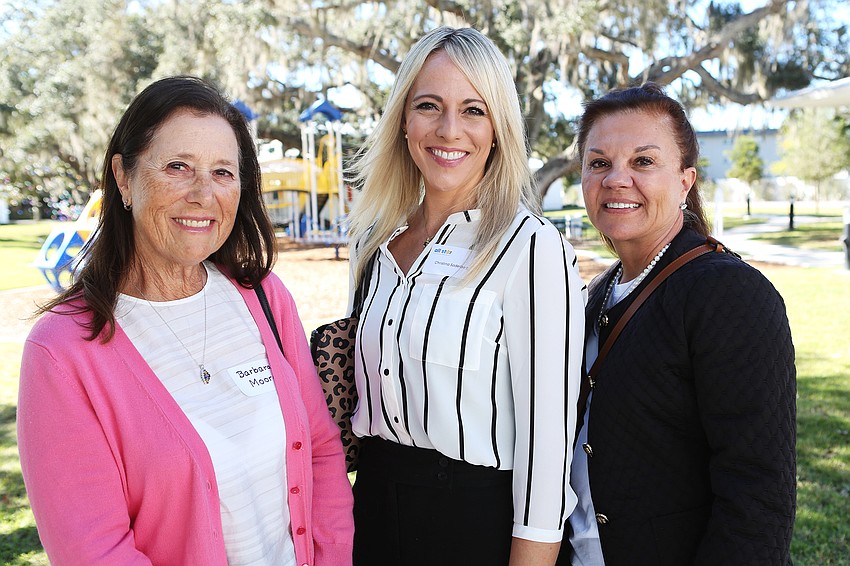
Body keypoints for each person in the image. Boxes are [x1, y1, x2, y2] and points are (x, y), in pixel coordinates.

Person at [17, 76, 354, 566]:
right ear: (124, 177)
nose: (203, 194)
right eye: (178, 167)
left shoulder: (264, 299)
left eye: (223, 172)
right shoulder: (63, 353)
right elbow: (95, 551)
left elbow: (321, 452)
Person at [346, 26, 587, 565]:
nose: (449, 129)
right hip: (371, 512)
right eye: (429, 105)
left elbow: (547, 454)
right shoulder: (373, 239)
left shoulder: (531, 248)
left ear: (498, 128)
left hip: (474, 527)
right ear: (403, 121)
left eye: (474, 110)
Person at [560, 82, 796, 565]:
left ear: (686, 181)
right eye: (599, 162)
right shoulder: (596, 294)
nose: (616, 179)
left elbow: (758, 496)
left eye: (643, 162)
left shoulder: (727, 294)